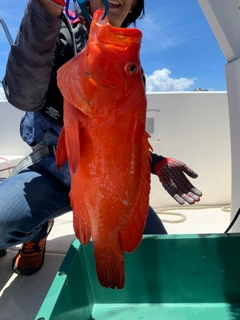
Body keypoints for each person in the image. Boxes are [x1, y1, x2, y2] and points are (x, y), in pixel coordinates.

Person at [0, 0, 202, 275]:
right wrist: (45, 10)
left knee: (157, 254)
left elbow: (124, 137)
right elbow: (23, 95)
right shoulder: (57, 30)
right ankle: (37, 232)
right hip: (50, 170)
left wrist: (155, 162)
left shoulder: (129, 72)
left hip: (104, 179)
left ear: (133, 6)